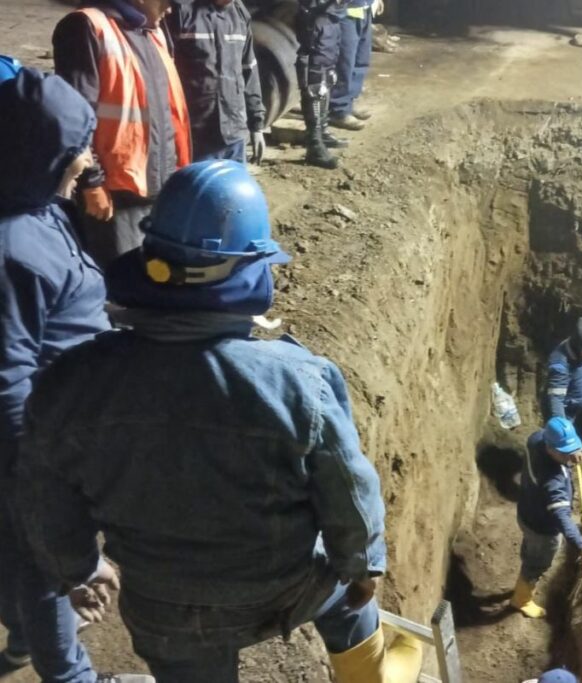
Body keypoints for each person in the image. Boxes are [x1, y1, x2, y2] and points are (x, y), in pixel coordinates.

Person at [17, 161, 422, 683]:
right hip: (286, 587)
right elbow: (348, 489)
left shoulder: (68, 384)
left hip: (166, 609)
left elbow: (45, 495)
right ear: (249, 272)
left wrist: (75, 569)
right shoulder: (301, 382)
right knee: (351, 602)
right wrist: (362, 564)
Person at [0, 66, 151, 683]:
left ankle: (22, 645)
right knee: (44, 560)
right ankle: (71, 675)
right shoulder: (9, 249)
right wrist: (36, 473)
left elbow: (71, 301)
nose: (87, 160)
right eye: (76, 149)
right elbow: (8, 380)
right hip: (39, 442)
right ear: (38, 153)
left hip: (64, 422)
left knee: (31, 557)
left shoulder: (36, 207)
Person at [53, 0, 192, 269]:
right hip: (113, 193)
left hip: (156, 185)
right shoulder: (87, 26)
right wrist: (91, 183)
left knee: (147, 275)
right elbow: (74, 115)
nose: (171, 9)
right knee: (116, 278)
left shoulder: (154, 32)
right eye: (166, 2)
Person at [512, 418, 582, 619]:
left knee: (530, 548)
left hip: (526, 511)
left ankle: (526, 565)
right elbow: (562, 518)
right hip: (542, 528)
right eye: (565, 452)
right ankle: (521, 600)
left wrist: (570, 454)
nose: (570, 455)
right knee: (538, 561)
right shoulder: (553, 481)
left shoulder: (536, 439)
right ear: (551, 449)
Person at [167, 0, 267, 163]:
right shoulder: (181, 11)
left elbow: (249, 70)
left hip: (234, 133)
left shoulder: (240, 14)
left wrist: (257, 126)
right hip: (194, 134)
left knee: (230, 188)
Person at [294, 0, 354, 169]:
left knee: (328, 76)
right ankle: (314, 144)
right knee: (315, 78)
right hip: (316, 17)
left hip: (332, 16)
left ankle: (322, 131)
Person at [327, 0, 380, 131]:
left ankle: (348, 103)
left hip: (364, 9)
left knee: (360, 60)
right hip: (344, 13)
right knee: (345, 63)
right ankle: (338, 110)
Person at [545, 317, 582, 422]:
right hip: (565, 413)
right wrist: (562, 427)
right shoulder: (560, 363)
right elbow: (556, 399)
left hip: (577, 409)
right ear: (577, 345)